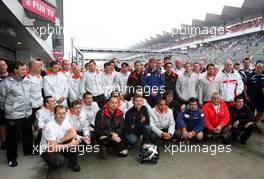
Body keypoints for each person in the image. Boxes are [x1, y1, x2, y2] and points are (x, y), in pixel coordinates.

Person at [2, 61, 33, 167]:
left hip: (27, 113)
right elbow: (2, 99)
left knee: (28, 135)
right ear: (15, 70)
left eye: (26, 69)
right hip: (14, 115)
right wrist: (9, 109)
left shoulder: (27, 80)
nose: (25, 71)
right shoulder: (6, 82)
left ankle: (28, 151)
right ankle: (12, 158)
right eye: (23, 69)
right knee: (12, 138)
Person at [40, 105, 81, 172]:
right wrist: (70, 144)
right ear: (54, 114)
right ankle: (51, 161)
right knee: (59, 161)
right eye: (59, 113)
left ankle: (73, 163)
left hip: (58, 143)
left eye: (64, 113)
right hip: (48, 149)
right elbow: (52, 148)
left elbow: (73, 133)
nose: (62, 115)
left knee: (75, 142)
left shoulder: (65, 121)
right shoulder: (49, 126)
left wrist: (59, 141)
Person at [244, 61, 264, 129]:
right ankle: (253, 124)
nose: (259, 69)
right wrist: (246, 96)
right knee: (251, 112)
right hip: (251, 97)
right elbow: (245, 87)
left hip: (261, 98)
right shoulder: (250, 75)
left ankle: (254, 123)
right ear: (255, 67)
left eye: (261, 68)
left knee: (261, 112)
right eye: (257, 67)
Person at [26, 60, 43, 129]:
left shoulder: (39, 77)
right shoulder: (25, 78)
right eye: (39, 66)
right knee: (29, 126)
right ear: (34, 67)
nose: (40, 68)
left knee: (39, 125)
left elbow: (40, 91)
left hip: (39, 105)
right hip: (30, 107)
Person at [0, 59, 8, 150]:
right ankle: (4, 141)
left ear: (6, 66)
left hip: (13, 105)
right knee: (2, 123)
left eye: (3, 65)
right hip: (1, 105)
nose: (2, 67)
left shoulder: (12, 76)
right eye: (0, 66)